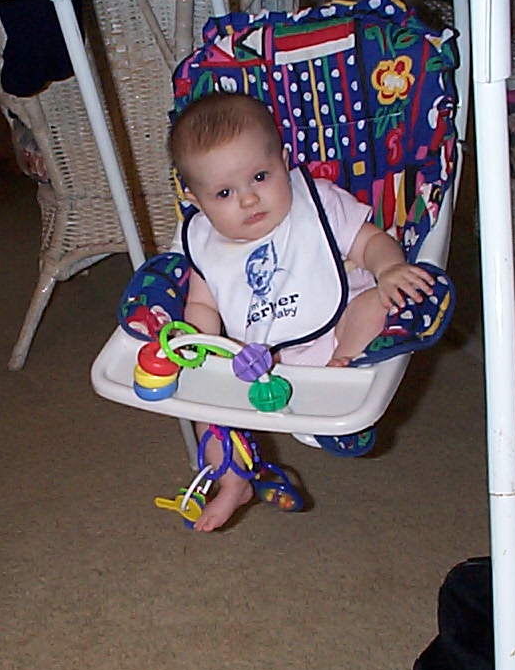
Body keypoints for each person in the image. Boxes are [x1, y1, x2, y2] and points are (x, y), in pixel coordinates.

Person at [168, 91, 437, 532]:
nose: (249, 199)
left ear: (285, 162)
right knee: (204, 404)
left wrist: (388, 268)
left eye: (260, 176)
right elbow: (202, 304)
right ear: (196, 199)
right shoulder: (204, 241)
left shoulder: (317, 203)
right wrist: (196, 346)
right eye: (224, 192)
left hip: (338, 329)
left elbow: (370, 240)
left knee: (377, 304)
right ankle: (233, 481)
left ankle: (343, 368)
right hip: (255, 360)